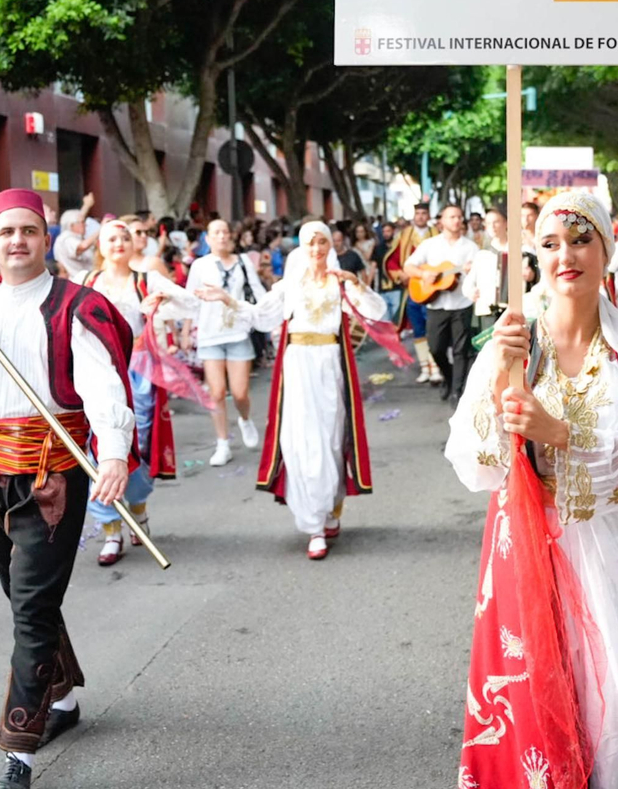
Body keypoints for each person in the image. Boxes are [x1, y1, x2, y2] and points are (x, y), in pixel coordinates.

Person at [446, 191, 618, 789]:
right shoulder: (511, 352)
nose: (567, 254)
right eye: (550, 243)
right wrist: (495, 391)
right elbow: (473, 464)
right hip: (532, 555)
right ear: (534, 257)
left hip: (617, 548)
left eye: (581, 238)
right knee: (542, 705)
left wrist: (561, 435)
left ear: (607, 250)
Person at [0, 189, 136, 789]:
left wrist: (113, 452)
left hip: (50, 479)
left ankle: (19, 754)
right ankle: (59, 699)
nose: (17, 241)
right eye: (7, 231)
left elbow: (102, 385)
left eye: (29, 231)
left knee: (31, 609)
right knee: (23, 599)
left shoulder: (75, 307)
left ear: (46, 240)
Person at [203, 222, 405, 559]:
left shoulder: (340, 283)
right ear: (301, 246)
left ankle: (330, 508)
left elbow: (376, 312)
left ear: (330, 246)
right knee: (300, 440)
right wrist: (226, 299)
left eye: (322, 243)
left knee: (330, 437)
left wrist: (357, 284)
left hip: (330, 367)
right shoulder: (290, 284)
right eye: (310, 244)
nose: (316, 250)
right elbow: (262, 317)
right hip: (298, 366)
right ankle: (314, 526)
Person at [72, 219, 200, 566]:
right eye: (111, 238)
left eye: (124, 238)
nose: (118, 243)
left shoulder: (145, 280)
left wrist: (163, 299)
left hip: (138, 372)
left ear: (133, 245)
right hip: (95, 371)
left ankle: (139, 507)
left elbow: (191, 305)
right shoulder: (84, 282)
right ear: (100, 245)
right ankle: (111, 528)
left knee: (135, 444)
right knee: (97, 447)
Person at [186, 218, 268, 467]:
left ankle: (244, 419)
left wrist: (265, 313)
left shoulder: (243, 262)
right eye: (216, 232)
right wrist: (185, 330)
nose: (222, 236)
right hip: (210, 335)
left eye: (225, 231)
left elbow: (259, 294)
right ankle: (223, 443)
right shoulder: (200, 265)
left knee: (241, 392)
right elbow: (191, 299)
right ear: (208, 239)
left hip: (238, 333)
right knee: (217, 392)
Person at [403, 205, 480, 402]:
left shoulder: (470, 247)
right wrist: (423, 274)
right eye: (452, 217)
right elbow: (408, 266)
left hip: (461, 304)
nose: (456, 220)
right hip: (436, 306)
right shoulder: (430, 245)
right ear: (442, 221)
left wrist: (472, 271)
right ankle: (449, 376)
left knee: (460, 350)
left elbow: (480, 274)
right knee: (436, 348)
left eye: (459, 217)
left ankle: (457, 391)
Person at [386, 203, 438, 384]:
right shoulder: (404, 235)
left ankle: (435, 367)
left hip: (433, 290)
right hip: (412, 291)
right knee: (418, 330)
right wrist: (401, 275)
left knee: (434, 329)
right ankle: (425, 367)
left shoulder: (436, 235)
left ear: (429, 215)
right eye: (418, 213)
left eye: (424, 213)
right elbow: (392, 260)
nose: (421, 217)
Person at [51, 194, 97, 277]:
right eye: (82, 223)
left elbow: (78, 218)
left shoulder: (76, 237)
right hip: (77, 281)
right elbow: (82, 246)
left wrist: (86, 206)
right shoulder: (66, 238)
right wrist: (102, 229)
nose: (85, 225)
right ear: (71, 226)